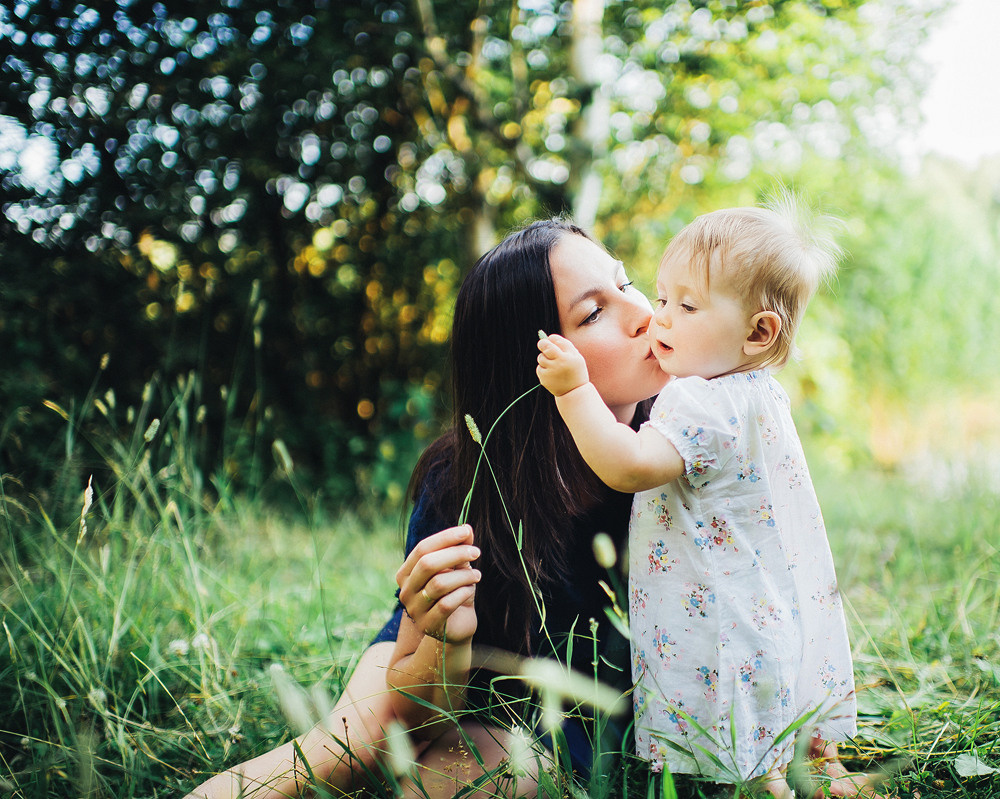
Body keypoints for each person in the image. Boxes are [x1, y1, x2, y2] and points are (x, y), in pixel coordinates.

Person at [187, 218, 670, 798]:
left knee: (470, 781)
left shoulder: (691, 448)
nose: (643, 312)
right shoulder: (466, 482)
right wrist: (445, 639)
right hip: (456, 657)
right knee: (354, 743)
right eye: (592, 313)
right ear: (532, 363)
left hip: (577, 714)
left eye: (626, 283)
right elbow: (416, 710)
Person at [535, 199, 857, 796]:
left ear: (759, 333)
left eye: (686, 306)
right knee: (760, 740)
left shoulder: (700, 402)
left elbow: (629, 466)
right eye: (660, 297)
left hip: (718, 619)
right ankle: (807, 769)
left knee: (729, 751)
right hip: (764, 604)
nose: (660, 319)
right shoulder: (758, 393)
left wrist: (574, 391)